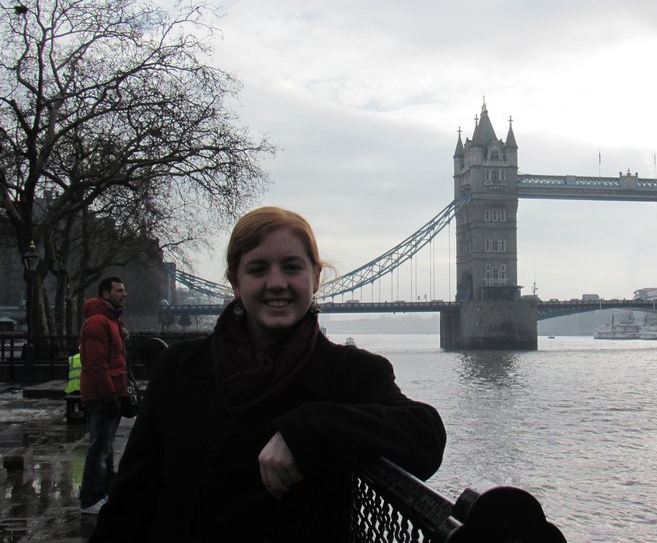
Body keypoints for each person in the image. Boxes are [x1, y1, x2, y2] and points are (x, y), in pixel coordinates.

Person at [90, 207, 447, 542]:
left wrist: (308, 427)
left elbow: (426, 437)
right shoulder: (179, 366)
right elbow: (130, 501)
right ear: (235, 281)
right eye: (258, 269)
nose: (276, 283)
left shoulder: (351, 373)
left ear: (316, 277)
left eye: (292, 267)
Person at [79, 276, 129, 514]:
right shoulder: (98, 323)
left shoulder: (111, 321)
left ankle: (105, 493)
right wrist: (110, 394)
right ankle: (90, 499)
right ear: (105, 294)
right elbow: (96, 364)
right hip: (102, 395)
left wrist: (123, 394)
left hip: (112, 393)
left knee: (107, 448)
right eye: (119, 290)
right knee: (99, 448)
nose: (125, 294)